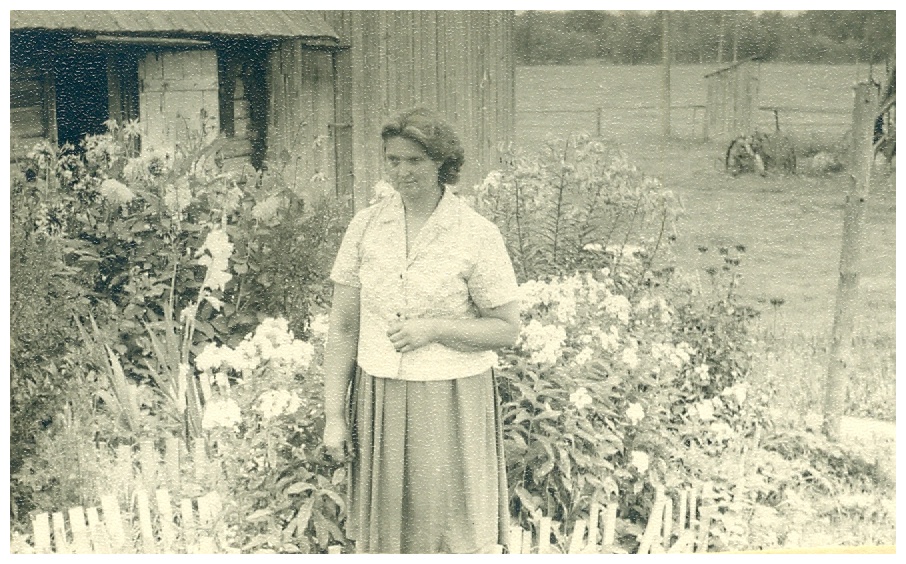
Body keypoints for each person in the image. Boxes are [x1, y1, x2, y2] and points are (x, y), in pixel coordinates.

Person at [322, 107, 521, 554]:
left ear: (442, 163)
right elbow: (343, 328)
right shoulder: (366, 226)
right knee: (388, 536)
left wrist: (434, 329)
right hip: (379, 395)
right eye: (393, 160)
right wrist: (334, 417)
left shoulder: (475, 233)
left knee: (449, 533)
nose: (402, 171)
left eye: (415, 160)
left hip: (451, 398)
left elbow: (506, 329)